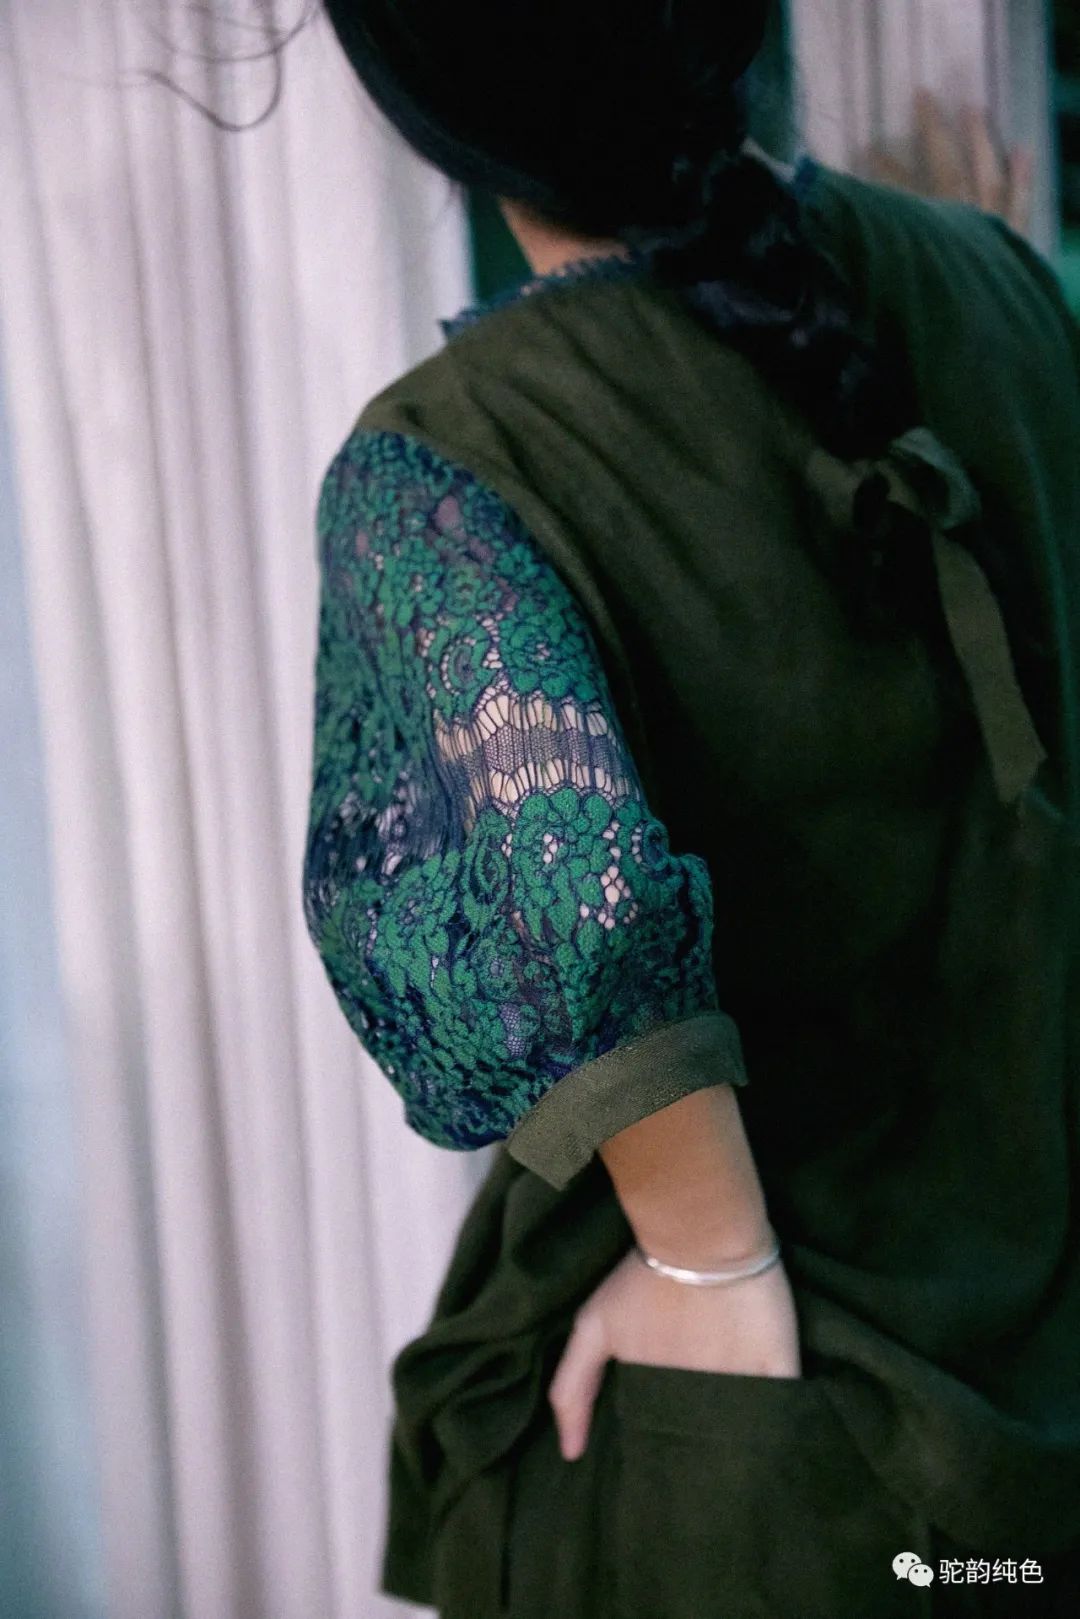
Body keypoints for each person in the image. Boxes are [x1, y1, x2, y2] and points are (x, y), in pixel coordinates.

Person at [299, 5, 1080, 1615]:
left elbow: (575, 920)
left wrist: (710, 1260)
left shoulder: (445, 467)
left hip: (779, 1464)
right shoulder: (996, 282)